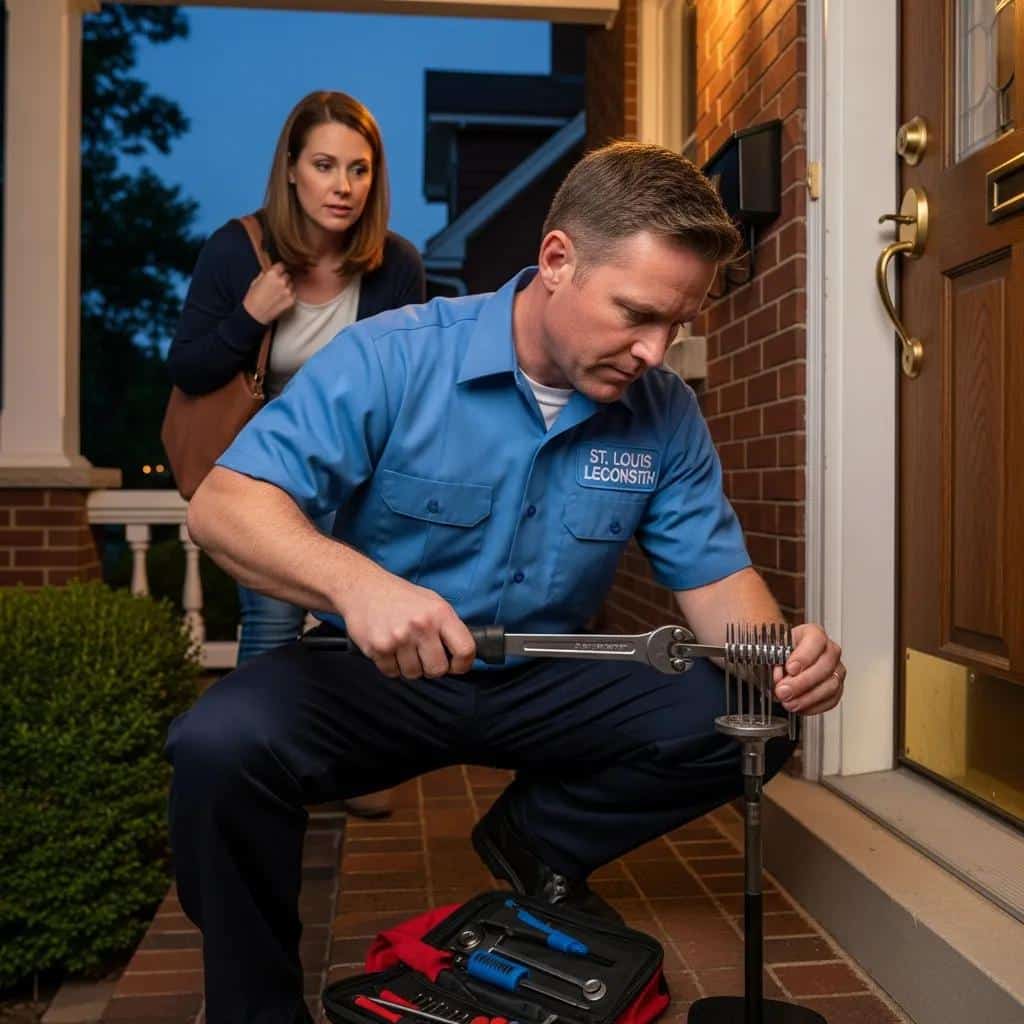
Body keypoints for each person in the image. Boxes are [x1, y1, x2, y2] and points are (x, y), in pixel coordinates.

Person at [168, 141, 846, 1024]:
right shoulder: (395, 357)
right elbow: (223, 506)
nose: (655, 351)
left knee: (750, 714)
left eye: (676, 326)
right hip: (380, 674)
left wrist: (785, 659)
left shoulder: (664, 412)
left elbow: (719, 586)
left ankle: (541, 840)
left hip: (546, 670)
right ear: (558, 261)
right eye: (638, 314)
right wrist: (358, 585)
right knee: (219, 746)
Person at [168, 90, 423, 817]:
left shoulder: (394, 265)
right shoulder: (236, 250)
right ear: (289, 170)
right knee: (275, 622)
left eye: (359, 169)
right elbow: (187, 369)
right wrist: (250, 315)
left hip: (361, 474)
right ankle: (253, 775)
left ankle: (351, 768)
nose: (342, 186)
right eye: (323, 165)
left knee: (362, 622)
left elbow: (407, 381)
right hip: (267, 473)